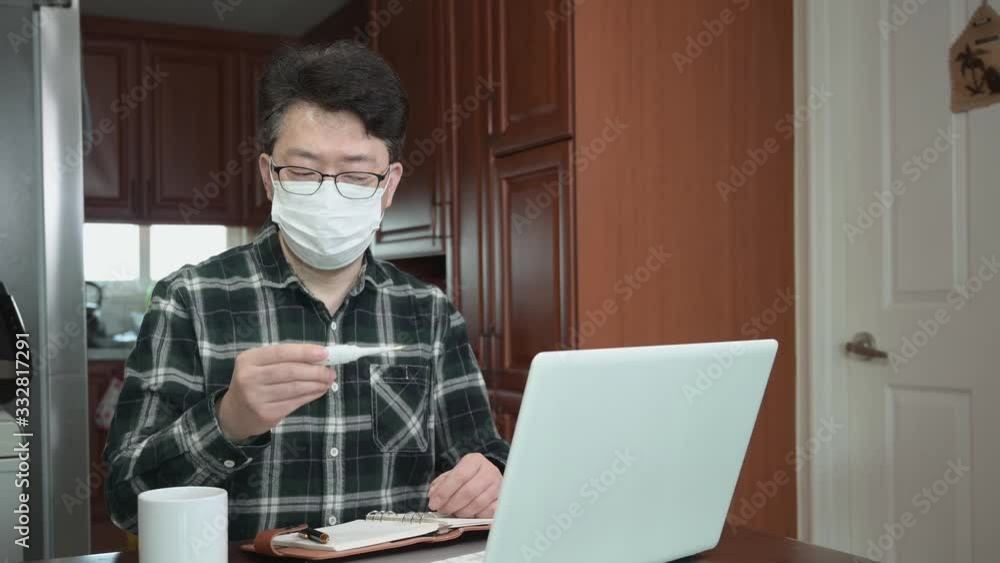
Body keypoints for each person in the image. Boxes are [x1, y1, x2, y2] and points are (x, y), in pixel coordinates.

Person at [103, 41, 509, 540]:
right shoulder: (189, 300)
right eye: (302, 171)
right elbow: (125, 500)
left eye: (357, 175)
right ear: (269, 177)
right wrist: (228, 422)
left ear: (389, 185)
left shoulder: (428, 313)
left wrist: (491, 476)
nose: (329, 191)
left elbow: (482, 454)